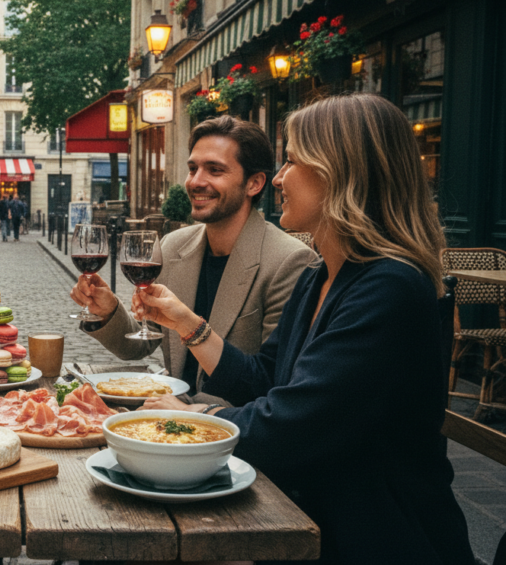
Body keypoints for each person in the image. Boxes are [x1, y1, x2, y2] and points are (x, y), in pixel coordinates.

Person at [134, 94, 473, 564]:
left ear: (341, 174)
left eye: (293, 161)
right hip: (301, 512)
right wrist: (187, 324)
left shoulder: (390, 288)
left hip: (368, 535)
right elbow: (265, 380)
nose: (278, 179)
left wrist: (182, 422)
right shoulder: (321, 276)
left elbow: (291, 427)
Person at [71, 116, 315, 404]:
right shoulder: (174, 246)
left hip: (231, 430)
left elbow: (272, 385)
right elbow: (142, 345)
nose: (196, 182)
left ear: (254, 183)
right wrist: (109, 311)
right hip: (163, 414)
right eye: (192, 168)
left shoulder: (290, 262)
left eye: (215, 170)